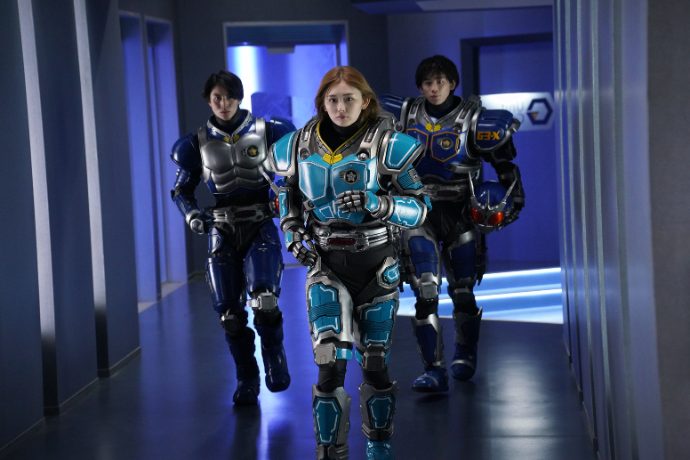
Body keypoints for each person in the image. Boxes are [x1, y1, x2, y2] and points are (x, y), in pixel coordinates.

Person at [267, 66, 429, 460]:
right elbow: (286, 196)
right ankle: (330, 451)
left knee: (374, 362)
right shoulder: (298, 145)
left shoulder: (388, 144)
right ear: (322, 102)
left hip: (376, 264)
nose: (341, 107)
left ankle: (379, 444)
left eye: (349, 99)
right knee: (328, 362)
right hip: (326, 264)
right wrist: (292, 232)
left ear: (365, 101)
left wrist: (379, 203)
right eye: (333, 99)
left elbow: (421, 206)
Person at [382, 55, 525, 392]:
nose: (434, 88)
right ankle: (433, 369)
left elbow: (506, 168)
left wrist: (510, 202)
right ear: (420, 86)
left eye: (440, 82)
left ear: (452, 83)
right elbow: (380, 159)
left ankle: (465, 351)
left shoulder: (476, 120)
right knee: (425, 289)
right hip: (419, 211)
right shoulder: (402, 116)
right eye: (428, 83)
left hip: (461, 212)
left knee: (462, 291)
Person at [170, 70, 294, 406]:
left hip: (259, 224)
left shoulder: (270, 131)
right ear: (208, 101)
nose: (224, 103)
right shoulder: (195, 143)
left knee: (266, 299)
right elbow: (181, 190)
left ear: (239, 97)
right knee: (229, 314)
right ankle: (246, 377)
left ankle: (275, 359)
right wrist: (192, 214)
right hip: (221, 228)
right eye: (217, 98)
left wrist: (283, 195)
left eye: (229, 96)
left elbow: (292, 173)